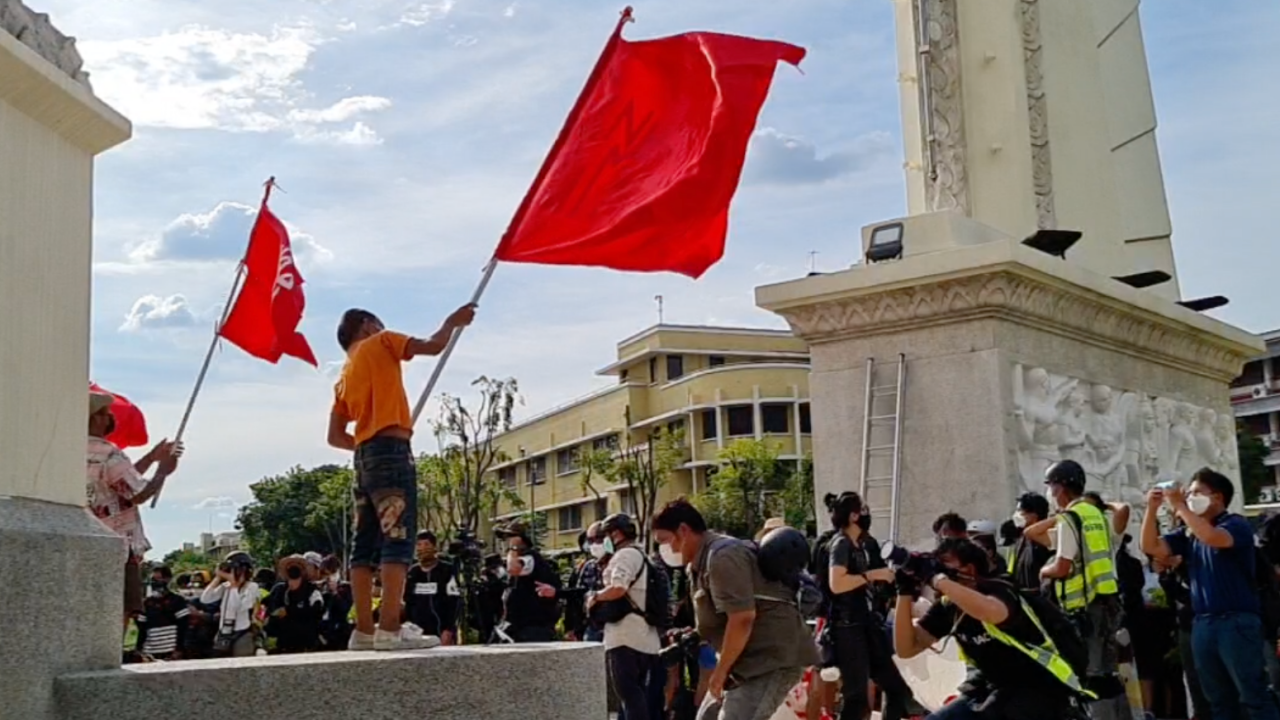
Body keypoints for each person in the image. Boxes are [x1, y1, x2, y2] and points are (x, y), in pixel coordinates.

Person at [327, 304, 474, 651]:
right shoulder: (382, 341)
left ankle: (363, 629)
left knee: (362, 547)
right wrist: (451, 322)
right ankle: (390, 627)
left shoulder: (343, 376)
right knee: (397, 540)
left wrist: (366, 448)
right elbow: (432, 345)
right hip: (391, 451)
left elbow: (334, 436)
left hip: (363, 457)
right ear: (366, 325)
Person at [652, 499, 818, 720]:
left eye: (664, 541)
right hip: (745, 664)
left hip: (770, 660)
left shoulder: (722, 557)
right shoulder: (700, 562)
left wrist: (719, 673)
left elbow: (742, 618)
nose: (665, 550)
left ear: (683, 530)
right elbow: (718, 616)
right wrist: (692, 637)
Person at [894, 538, 1091, 719]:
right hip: (991, 689)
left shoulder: (1000, 588)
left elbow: (992, 612)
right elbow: (907, 648)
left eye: (943, 567)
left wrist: (937, 579)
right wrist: (904, 593)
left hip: (1039, 688)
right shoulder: (949, 607)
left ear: (969, 570)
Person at [1141, 468, 1280, 720]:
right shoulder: (1188, 534)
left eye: (1196, 492)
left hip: (1236, 622)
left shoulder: (1234, 524)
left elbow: (1214, 538)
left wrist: (1180, 506)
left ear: (1217, 497)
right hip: (1203, 623)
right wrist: (1151, 509)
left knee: (1253, 696)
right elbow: (1151, 546)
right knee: (1218, 700)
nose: (1190, 497)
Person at [1036, 460, 1126, 717]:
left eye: (1051, 486)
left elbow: (1062, 567)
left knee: (1089, 676)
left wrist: (1044, 570)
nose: (1050, 492)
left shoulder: (1069, 518)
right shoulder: (1095, 514)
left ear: (1061, 488)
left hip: (1083, 606)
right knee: (1107, 673)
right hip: (1108, 600)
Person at [86, 390, 183, 631]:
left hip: (88, 537)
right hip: (119, 543)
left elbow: (120, 483)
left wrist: (150, 458)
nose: (109, 418)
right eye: (104, 413)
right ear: (93, 419)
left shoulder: (69, 450)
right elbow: (137, 492)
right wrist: (163, 471)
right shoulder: (109, 452)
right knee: (120, 612)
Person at [825, 493, 913, 720]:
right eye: (863, 509)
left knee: (895, 688)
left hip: (866, 623)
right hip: (848, 627)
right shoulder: (841, 543)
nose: (867, 514)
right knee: (856, 698)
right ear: (854, 516)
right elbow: (837, 583)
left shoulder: (861, 544)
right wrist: (871, 575)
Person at [588, 514, 662, 720]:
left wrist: (595, 597)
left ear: (616, 534)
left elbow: (619, 587)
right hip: (645, 635)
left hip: (625, 636)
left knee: (629, 694)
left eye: (605, 535)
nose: (603, 541)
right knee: (637, 695)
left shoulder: (625, 555)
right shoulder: (641, 555)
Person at [500, 522, 562, 642]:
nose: (505, 541)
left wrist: (513, 548)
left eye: (509, 537)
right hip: (519, 627)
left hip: (533, 628)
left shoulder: (530, 557)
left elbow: (513, 568)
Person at [404, 531, 462, 645]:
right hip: (417, 631)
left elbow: (454, 601)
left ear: (434, 547)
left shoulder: (447, 570)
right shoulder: (413, 572)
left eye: (426, 544)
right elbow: (408, 601)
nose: (422, 548)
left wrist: (448, 629)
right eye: (419, 545)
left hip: (441, 630)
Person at [201, 551, 261, 658]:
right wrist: (218, 578)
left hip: (242, 632)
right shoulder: (226, 586)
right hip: (223, 632)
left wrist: (234, 586)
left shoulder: (252, 587)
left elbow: (238, 607)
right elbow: (205, 599)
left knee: (241, 666)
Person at [265, 555, 326, 654]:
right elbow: (269, 611)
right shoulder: (279, 590)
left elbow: (316, 612)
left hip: (305, 644)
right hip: (282, 644)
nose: (293, 570)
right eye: (290, 568)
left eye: (297, 567)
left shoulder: (312, 591)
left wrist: (290, 611)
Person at [135, 566, 191, 661]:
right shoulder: (146, 603)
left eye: (159, 579)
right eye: (153, 579)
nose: (156, 582)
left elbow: (183, 626)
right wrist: (139, 649)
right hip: (150, 653)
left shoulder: (177, 600)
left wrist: (179, 649)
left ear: (168, 579)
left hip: (172, 652)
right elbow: (142, 629)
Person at [568, 522, 609, 642]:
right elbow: (579, 596)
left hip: (618, 626)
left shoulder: (623, 562)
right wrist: (574, 627)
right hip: (593, 627)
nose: (593, 545)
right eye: (590, 540)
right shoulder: (589, 566)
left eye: (597, 539)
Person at [1008, 493, 1054, 594]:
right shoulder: (1021, 539)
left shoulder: (1047, 540)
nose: (1016, 515)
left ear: (1034, 515)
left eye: (1020, 511)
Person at [317, 555, 353, 651]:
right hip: (323, 629)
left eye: (332, 572)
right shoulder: (320, 588)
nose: (328, 576)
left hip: (339, 630)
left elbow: (345, 609)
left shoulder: (346, 588)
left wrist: (335, 592)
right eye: (324, 573)